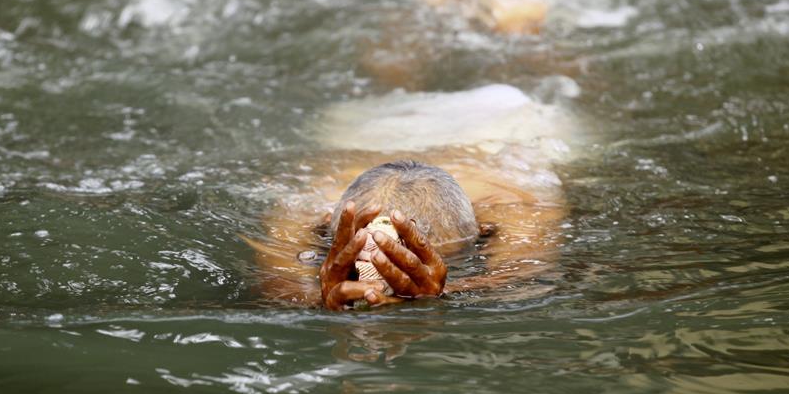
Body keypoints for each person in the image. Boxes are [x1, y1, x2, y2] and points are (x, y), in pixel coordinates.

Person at [242, 84, 577, 310]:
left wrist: (435, 292)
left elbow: (520, 277)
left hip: (498, 122)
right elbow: (279, 283)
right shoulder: (300, 208)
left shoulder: (520, 203)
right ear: (325, 224)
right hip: (371, 128)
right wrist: (319, 294)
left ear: (486, 229)